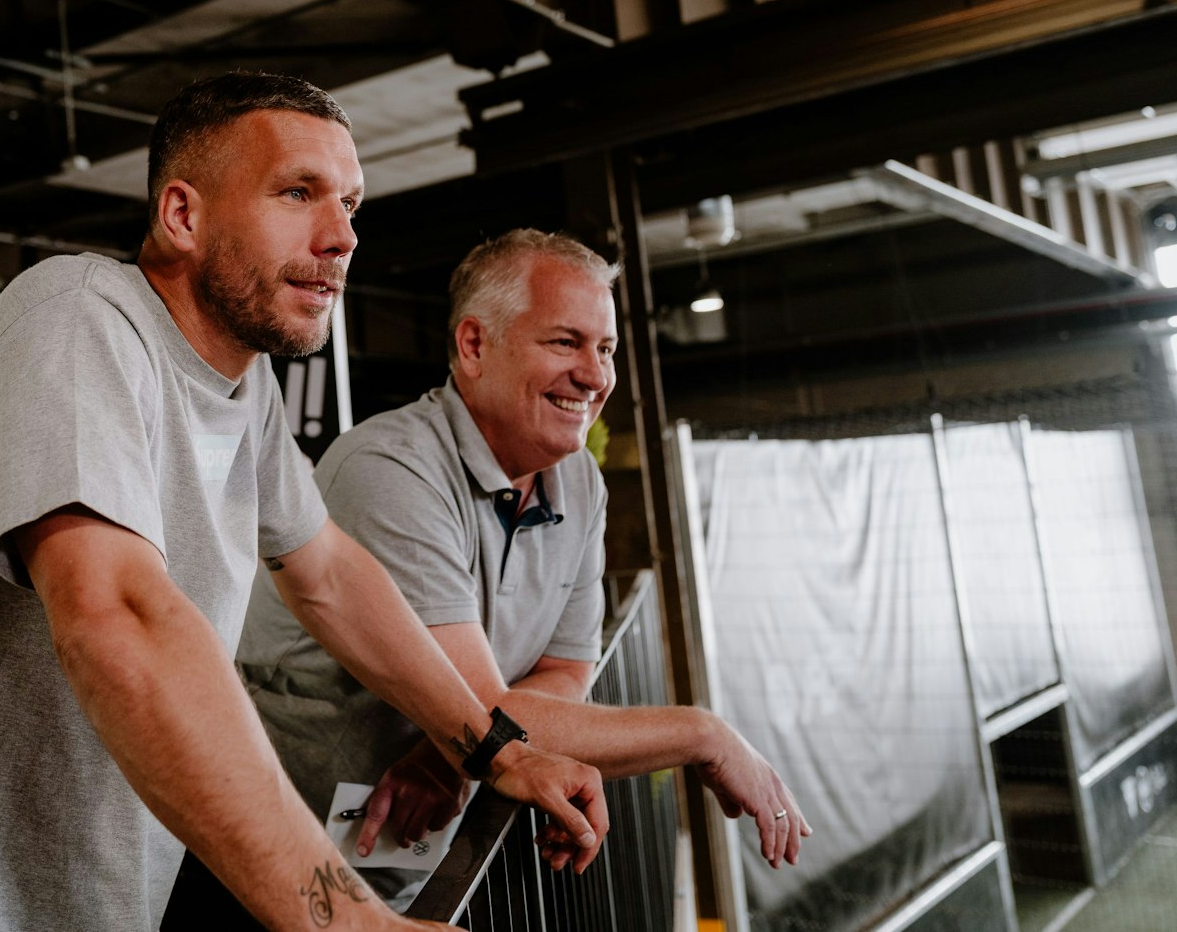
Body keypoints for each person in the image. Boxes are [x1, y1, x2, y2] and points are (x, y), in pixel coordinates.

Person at [0, 75, 616, 932]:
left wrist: (494, 747)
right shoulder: (79, 319)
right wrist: (347, 922)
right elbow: (117, 614)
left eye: (349, 203)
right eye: (298, 192)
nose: (342, 235)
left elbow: (329, 575)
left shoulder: (246, 387)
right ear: (183, 215)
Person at [197, 230, 809, 917]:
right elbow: (486, 710)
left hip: (400, 874)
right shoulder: (391, 470)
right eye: (565, 342)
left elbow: (560, 674)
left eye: (604, 349)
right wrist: (703, 734)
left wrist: (453, 749)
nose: (596, 375)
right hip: (255, 868)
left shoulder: (577, 481)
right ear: (474, 345)